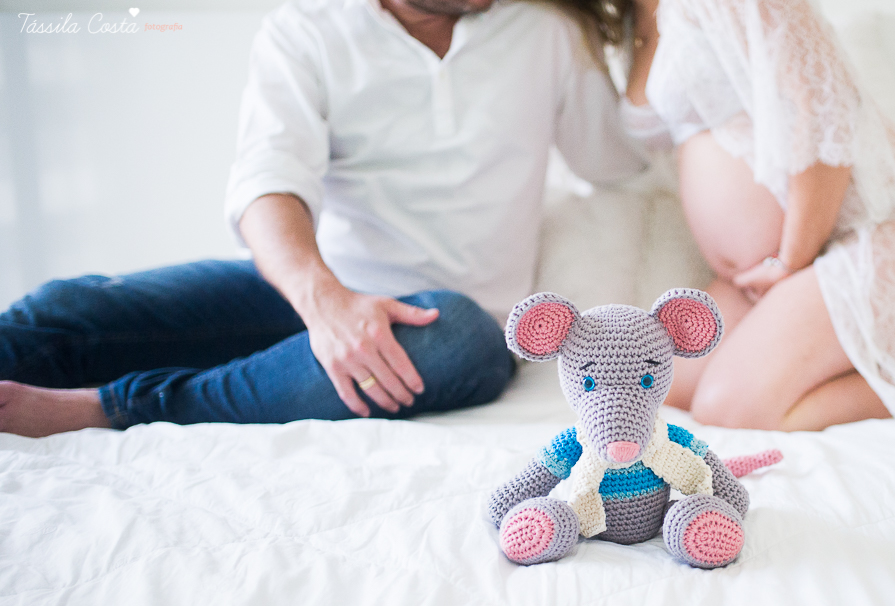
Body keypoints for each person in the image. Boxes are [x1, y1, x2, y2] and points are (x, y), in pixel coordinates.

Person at [0, 0, 644, 438]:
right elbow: (268, 183)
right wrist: (327, 303)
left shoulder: (548, 30)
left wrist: (653, 27)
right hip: (318, 288)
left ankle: (116, 408)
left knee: (460, 338)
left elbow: (618, 162)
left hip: (448, 325)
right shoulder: (307, 28)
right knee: (64, 311)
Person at [620, 0, 895, 432]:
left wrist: (790, 259)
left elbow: (826, 110)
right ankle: (872, 358)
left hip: (885, 233)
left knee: (728, 410)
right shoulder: (625, 17)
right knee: (657, 387)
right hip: (774, 269)